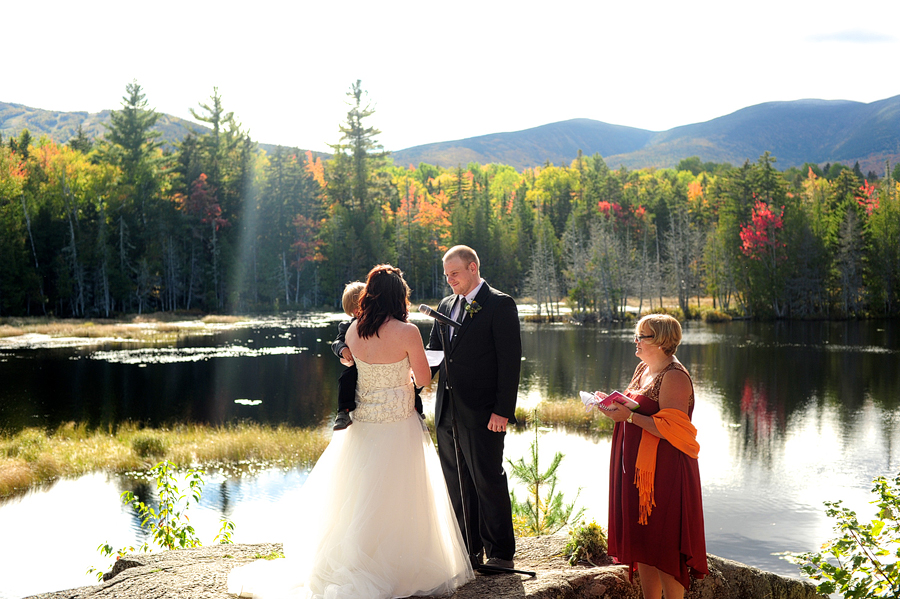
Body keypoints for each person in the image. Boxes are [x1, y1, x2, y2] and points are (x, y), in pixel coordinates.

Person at [228, 264, 474, 599]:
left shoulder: (353, 332)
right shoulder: (407, 332)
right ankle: (400, 567)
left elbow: (354, 368)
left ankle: (359, 560)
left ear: (371, 295)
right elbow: (424, 378)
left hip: (363, 427)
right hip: (400, 426)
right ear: (398, 296)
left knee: (359, 497)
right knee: (399, 497)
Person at [597, 314, 708, 599]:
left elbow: (674, 428)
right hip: (636, 471)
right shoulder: (643, 367)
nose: (636, 340)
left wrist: (629, 418)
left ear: (660, 341)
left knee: (665, 543)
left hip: (665, 472)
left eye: (641, 336)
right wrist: (610, 405)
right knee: (643, 541)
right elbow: (638, 407)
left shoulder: (675, 376)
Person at [426, 245, 521, 570]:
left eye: (454, 273)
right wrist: (408, 381)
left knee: (487, 479)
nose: (450, 280)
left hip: (484, 412)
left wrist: (502, 410)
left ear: (473, 268)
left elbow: (509, 364)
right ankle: (468, 550)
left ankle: (500, 554)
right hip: (448, 409)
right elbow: (435, 353)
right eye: (447, 275)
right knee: (456, 481)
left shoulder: (499, 304)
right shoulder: (446, 305)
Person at [330, 281, 365, 431]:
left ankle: (417, 409)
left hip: (376, 363)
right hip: (357, 364)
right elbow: (336, 342)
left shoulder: (379, 322)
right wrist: (343, 348)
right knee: (345, 378)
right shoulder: (346, 326)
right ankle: (343, 412)